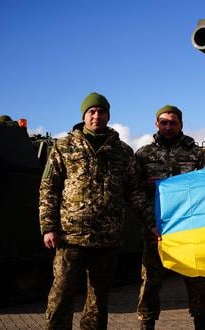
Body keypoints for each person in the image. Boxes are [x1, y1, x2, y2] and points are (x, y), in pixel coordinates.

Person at [39, 92, 148, 329]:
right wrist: (48, 227)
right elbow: (49, 189)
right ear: (84, 116)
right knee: (61, 295)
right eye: (91, 112)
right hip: (70, 236)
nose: (96, 116)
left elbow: (135, 192)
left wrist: (151, 222)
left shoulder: (122, 151)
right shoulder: (63, 147)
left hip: (106, 238)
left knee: (98, 301)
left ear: (108, 116)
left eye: (101, 112)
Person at [135, 105, 205, 330]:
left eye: (173, 122)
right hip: (156, 231)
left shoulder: (197, 154)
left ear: (181, 124)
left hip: (190, 230)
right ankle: (146, 325)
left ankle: (202, 323)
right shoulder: (143, 154)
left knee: (198, 283)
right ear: (156, 124)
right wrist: (149, 220)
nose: (168, 126)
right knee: (150, 284)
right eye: (164, 122)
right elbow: (133, 190)